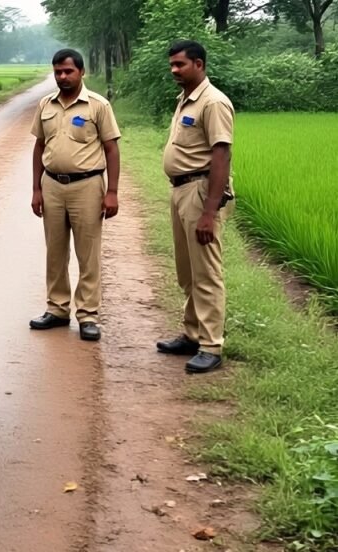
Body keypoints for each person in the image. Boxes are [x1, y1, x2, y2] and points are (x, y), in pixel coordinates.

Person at [28, 48, 121, 342]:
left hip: (88, 186)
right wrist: (36, 188)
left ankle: (88, 315)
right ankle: (56, 309)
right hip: (52, 184)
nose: (62, 77)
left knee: (87, 253)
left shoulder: (98, 105)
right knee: (55, 251)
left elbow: (111, 149)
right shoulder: (46, 105)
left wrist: (113, 192)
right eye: (57, 72)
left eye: (68, 71)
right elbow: (39, 147)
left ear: (82, 72)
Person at [156, 40, 236, 374]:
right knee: (188, 270)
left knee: (206, 271)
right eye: (172, 65)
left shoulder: (214, 102)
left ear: (199, 64)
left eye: (180, 65)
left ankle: (211, 345)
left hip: (201, 193)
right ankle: (192, 333)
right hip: (181, 191)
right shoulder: (186, 99)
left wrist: (209, 212)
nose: (174, 70)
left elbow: (222, 156)